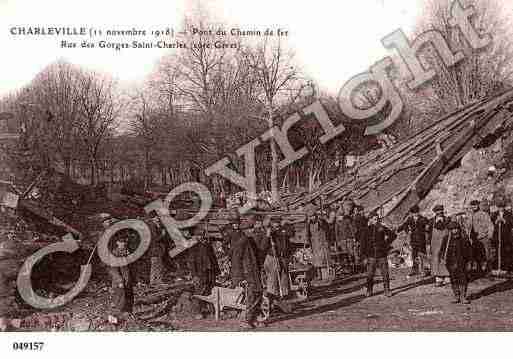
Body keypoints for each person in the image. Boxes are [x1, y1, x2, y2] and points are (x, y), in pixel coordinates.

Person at [229, 213, 263, 329]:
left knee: (258, 293)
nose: (252, 230)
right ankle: (247, 320)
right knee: (251, 296)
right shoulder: (241, 242)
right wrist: (240, 278)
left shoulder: (249, 240)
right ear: (245, 230)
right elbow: (236, 261)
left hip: (254, 271)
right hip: (247, 274)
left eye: (252, 228)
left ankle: (254, 319)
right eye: (250, 229)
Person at [104, 217, 134, 324]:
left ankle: (126, 315)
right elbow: (113, 269)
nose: (123, 244)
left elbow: (128, 267)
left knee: (128, 297)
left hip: (127, 279)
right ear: (117, 243)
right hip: (119, 281)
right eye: (121, 242)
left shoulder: (125, 252)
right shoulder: (115, 253)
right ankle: (113, 318)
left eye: (124, 242)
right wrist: (119, 280)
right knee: (118, 298)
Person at [361, 210, 396, 297]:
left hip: (382, 254)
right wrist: (364, 256)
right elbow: (363, 244)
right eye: (374, 218)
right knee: (370, 274)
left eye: (377, 218)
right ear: (370, 220)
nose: (376, 220)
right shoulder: (366, 230)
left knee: (385, 273)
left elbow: (393, 235)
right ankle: (369, 290)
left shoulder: (382, 228)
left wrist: (386, 244)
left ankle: (387, 290)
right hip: (371, 255)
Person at [187, 227, 220, 320]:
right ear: (195, 236)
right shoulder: (194, 247)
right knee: (200, 291)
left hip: (210, 272)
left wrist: (217, 271)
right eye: (199, 235)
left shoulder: (208, 245)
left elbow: (214, 259)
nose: (201, 237)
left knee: (210, 290)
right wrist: (194, 275)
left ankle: (212, 310)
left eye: (202, 235)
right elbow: (191, 262)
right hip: (200, 272)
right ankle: (197, 311)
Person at [261, 218, 293, 314]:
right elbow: (263, 247)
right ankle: (270, 304)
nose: (276, 227)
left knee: (283, 281)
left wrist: (288, 256)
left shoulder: (283, 232)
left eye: (278, 225)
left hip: (282, 259)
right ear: (271, 225)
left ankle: (280, 303)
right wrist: (268, 235)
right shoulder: (269, 233)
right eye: (274, 225)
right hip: (272, 258)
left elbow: (288, 243)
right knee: (273, 282)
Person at [439, 221, 472, 304]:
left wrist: (469, 262)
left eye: (456, 229)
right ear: (450, 230)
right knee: (453, 279)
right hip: (450, 262)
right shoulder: (446, 239)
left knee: (463, 279)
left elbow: (469, 252)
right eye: (452, 229)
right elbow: (442, 250)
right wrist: (442, 258)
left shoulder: (464, 239)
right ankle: (456, 296)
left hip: (462, 262)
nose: (455, 231)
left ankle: (463, 297)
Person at [397, 205, 430, 277]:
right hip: (413, 240)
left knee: (423, 255)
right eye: (414, 212)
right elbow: (404, 225)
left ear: (418, 212)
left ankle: (425, 270)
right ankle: (415, 269)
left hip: (421, 240)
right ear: (412, 213)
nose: (415, 214)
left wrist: (426, 229)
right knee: (414, 255)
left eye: (416, 212)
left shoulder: (423, 219)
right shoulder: (410, 219)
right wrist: (407, 231)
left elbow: (429, 225)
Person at [463, 200, 494, 277]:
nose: (474, 207)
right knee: (477, 255)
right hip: (474, 239)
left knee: (487, 255)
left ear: (478, 205)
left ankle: (488, 271)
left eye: (475, 205)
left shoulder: (484, 214)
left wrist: (489, 235)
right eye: (472, 205)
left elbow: (490, 225)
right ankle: (479, 270)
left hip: (483, 237)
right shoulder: (470, 215)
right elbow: (467, 226)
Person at [428, 205, 450, 287]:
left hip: (445, 242)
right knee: (435, 259)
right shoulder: (431, 221)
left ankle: (447, 277)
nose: (440, 212)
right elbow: (428, 234)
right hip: (435, 243)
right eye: (438, 211)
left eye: (441, 210)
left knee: (445, 258)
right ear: (435, 212)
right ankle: (438, 279)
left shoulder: (447, 220)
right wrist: (428, 244)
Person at [490, 199, 513, 273]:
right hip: (497, 236)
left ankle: (504, 268)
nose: (501, 208)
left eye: (502, 207)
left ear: (504, 207)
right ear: (497, 207)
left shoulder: (508, 214)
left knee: (505, 252)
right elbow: (491, 223)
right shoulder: (494, 214)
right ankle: (496, 267)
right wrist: (496, 221)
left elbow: (511, 223)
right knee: (497, 252)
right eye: (499, 207)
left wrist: (503, 220)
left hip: (505, 236)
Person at [335, 199, 357, 271]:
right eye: (339, 216)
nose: (340, 217)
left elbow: (352, 229)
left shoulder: (347, 220)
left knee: (351, 253)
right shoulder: (337, 223)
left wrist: (353, 237)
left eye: (341, 216)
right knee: (345, 254)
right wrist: (338, 241)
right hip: (342, 240)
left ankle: (353, 267)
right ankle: (348, 268)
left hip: (348, 239)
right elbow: (336, 232)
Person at [308, 211, 331, 280]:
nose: (312, 218)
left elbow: (327, 230)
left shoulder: (321, 222)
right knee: (316, 261)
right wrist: (310, 244)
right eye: (311, 216)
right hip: (314, 244)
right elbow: (308, 235)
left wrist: (326, 240)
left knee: (324, 259)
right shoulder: (309, 224)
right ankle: (319, 276)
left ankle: (327, 275)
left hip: (322, 243)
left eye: (313, 216)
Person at [353, 205, 367, 273]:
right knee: (362, 252)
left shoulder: (361, 217)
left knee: (361, 253)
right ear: (360, 211)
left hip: (361, 237)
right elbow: (356, 229)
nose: (363, 212)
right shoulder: (359, 218)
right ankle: (362, 268)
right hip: (361, 237)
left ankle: (362, 268)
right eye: (362, 210)